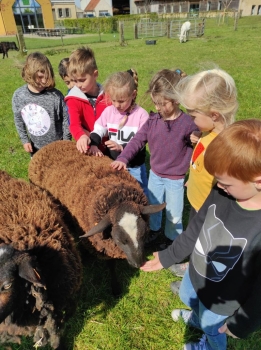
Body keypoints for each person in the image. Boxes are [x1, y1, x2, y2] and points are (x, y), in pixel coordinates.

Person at [141, 119, 261, 350]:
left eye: (226, 183)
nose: (219, 186)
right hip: (196, 273)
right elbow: (196, 226)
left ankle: (209, 341)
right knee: (188, 297)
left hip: (223, 300)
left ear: (257, 181)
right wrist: (169, 255)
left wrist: (243, 323)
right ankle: (197, 319)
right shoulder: (221, 192)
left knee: (212, 327)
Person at [111, 69, 198, 244]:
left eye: (162, 103)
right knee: (153, 207)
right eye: (155, 103)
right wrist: (123, 158)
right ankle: (155, 230)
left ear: (176, 99)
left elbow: (201, 150)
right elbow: (137, 141)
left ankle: (172, 239)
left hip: (175, 178)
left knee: (174, 213)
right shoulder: (152, 121)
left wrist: (197, 139)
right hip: (155, 176)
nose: (157, 108)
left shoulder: (188, 124)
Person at [169, 68, 238, 279]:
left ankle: (197, 275)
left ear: (214, 114)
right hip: (197, 202)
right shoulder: (207, 134)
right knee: (195, 237)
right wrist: (193, 179)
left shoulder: (224, 148)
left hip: (209, 211)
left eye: (193, 115)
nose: (191, 121)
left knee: (205, 243)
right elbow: (200, 165)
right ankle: (193, 265)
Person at [89, 69, 149, 196]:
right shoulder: (109, 112)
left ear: (133, 95)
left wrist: (121, 147)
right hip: (114, 164)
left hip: (134, 166)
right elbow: (98, 129)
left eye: (121, 101)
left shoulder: (141, 115)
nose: (116, 105)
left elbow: (141, 142)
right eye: (113, 100)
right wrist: (93, 144)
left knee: (140, 192)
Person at [12, 52, 71, 157]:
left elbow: (66, 120)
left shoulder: (56, 96)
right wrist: (25, 140)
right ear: (29, 73)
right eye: (40, 77)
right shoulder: (19, 96)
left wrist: (66, 142)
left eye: (46, 77)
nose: (44, 81)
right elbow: (18, 119)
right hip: (36, 150)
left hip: (58, 149)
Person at [64, 46, 108, 154]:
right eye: (74, 81)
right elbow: (74, 124)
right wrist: (81, 136)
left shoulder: (108, 95)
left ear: (95, 74)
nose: (78, 85)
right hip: (88, 148)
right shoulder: (73, 99)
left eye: (82, 80)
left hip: (110, 147)